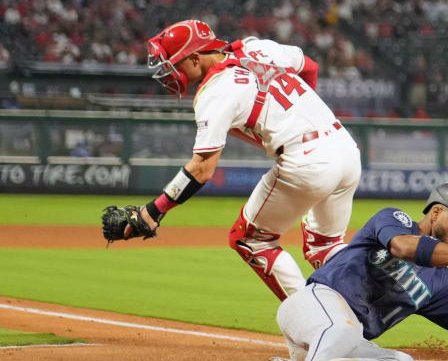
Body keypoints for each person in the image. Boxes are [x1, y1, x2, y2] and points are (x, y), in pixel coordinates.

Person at [131, 20, 361, 301]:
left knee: (250, 239)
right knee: (325, 246)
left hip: (308, 161)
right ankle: (369, 296)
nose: (169, 72)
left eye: (174, 64)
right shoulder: (256, 46)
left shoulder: (214, 91)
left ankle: (317, 320)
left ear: (194, 57)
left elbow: (202, 169)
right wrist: (302, 112)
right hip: (344, 147)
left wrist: (154, 210)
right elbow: (310, 66)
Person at [275, 182, 448, 361]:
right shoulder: (394, 219)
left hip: (348, 337)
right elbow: (403, 247)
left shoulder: (445, 285)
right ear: (437, 211)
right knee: (343, 329)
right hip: (314, 305)